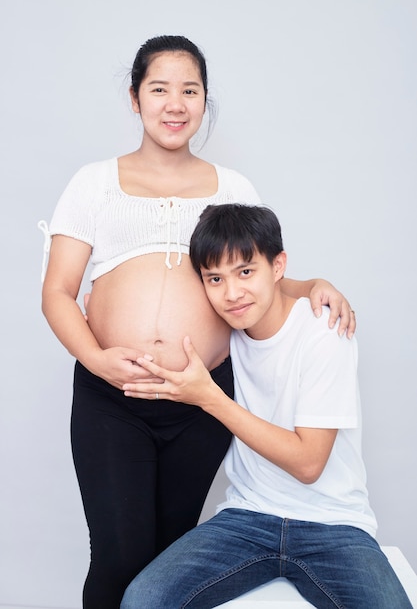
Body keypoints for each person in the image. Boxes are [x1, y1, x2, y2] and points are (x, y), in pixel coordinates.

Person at [39, 36, 356, 609]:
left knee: (172, 558)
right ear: (135, 98)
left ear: (205, 101)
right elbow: (58, 293)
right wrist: (99, 361)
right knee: (118, 554)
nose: (175, 103)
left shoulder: (232, 187)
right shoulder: (94, 183)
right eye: (159, 89)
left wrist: (311, 285)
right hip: (114, 396)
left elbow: (259, 281)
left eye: (190, 90)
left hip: (200, 401)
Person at [120, 204, 411, 609]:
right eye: (215, 279)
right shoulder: (224, 330)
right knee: (143, 600)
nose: (232, 293)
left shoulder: (325, 333)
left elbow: (309, 463)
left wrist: (209, 397)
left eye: (245, 272)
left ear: (278, 267)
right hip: (247, 518)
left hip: (333, 525)